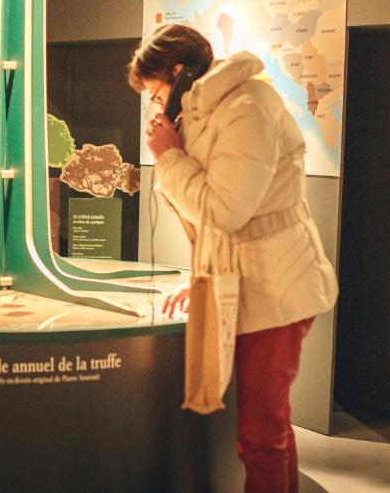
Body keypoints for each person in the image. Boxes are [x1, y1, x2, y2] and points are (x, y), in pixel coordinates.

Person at [129, 24, 338, 493]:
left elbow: (225, 211)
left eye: (155, 91)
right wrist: (202, 276)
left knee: (261, 435)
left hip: (276, 289)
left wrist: (168, 158)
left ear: (179, 74)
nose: (155, 104)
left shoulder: (247, 109)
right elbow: (213, 217)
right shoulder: (206, 112)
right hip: (249, 283)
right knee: (269, 428)